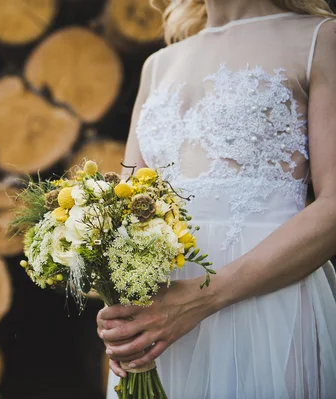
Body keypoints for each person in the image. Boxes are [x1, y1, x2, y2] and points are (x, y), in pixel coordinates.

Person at [97, 0, 336, 397]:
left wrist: (201, 300)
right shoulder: (157, 65)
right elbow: (125, 214)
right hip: (161, 326)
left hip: (270, 310)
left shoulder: (320, 39)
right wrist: (120, 310)